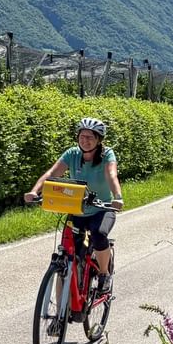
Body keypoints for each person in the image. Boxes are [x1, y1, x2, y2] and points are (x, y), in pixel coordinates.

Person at [25, 117, 123, 293]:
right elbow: (52, 173)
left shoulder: (107, 154)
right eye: (82, 136)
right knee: (67, 254)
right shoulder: (72, 154)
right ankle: (59, 317)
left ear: (99, 140)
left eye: (90, 137)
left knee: (99, 233)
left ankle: (103, 274)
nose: (85, 140)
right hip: (76, 209)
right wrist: (35, 192)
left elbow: (111, 175)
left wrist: (117, 196)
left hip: (102, 209)